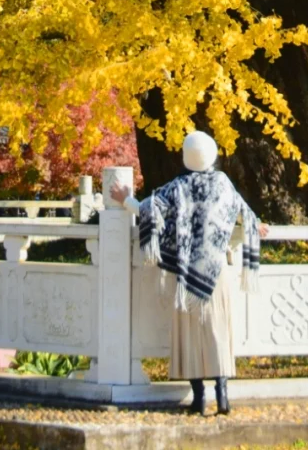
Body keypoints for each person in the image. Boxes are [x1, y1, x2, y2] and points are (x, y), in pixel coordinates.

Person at [108, 131, 265, 417]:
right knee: (218, 332)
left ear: (185, 157)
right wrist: (256, 226)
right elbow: (242, 211)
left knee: (190, 336)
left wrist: (125, 199)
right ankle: (223, 395)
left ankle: (199, 397)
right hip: (217, 272)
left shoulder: (178, 187)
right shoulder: (222, 183)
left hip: (186, 276)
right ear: (213, 154)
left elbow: (149, 210)